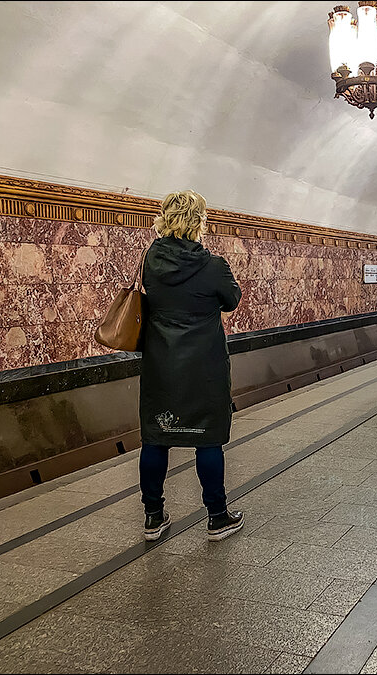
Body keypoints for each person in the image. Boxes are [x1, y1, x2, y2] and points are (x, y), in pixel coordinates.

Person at [139, 190, 244, 542]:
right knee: (208, 441)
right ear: (200, 221)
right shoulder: (213, 266)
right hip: (204, 366)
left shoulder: (150, 259)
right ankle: (217, 517)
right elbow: (231, 300)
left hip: (161, 365)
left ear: (165, 218)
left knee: (156, 439)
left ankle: (153, 517)